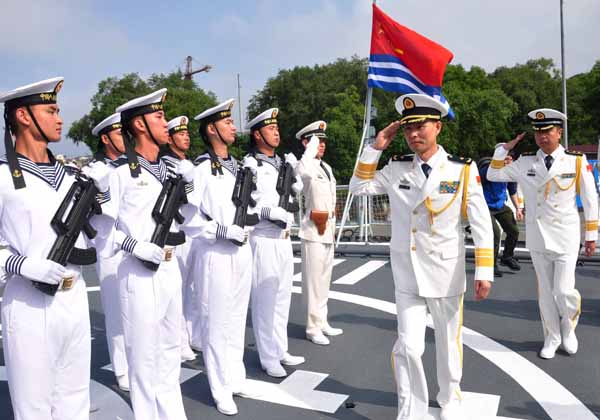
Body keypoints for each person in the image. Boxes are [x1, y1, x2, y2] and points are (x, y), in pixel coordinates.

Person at [349, 94, 494, 420]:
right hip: (407, 273)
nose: (414, 134)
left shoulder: (462, 170)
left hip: (445, 269)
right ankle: (411, 409)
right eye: (409, 128)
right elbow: (359, 188)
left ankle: (449, 400)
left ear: (438, 127)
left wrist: (485, 269)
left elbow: (482, 222)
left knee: (447, 343)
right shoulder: (397, 167)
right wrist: (376, 146)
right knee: (409, 346)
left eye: (421, 126)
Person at [0, 77, 114, 419]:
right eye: (50, 110)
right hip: (29, 301)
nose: (59, 118)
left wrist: (103, 197)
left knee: (75, 399)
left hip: (74, 296)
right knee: (34, 407)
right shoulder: (3, 177)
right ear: (23, 116)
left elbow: (101, 239)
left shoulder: (70, 176)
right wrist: (20, 265)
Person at [487, 108, 598, 359]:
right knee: (546, 293)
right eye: (538, 132)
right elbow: (494, 174)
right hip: (538, 237)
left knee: (563, 290)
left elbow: (591, 199)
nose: (542, 136)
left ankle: (568, 328)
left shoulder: (576, 161)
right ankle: (552, 336)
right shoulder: (525, 162)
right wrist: (503, 149)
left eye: (547, 131)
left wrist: (591, 235)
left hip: (566, 236)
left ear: (559, 132)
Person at [110, 88, 193, 419]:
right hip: (139, 271)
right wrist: (133, 244)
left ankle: (173, 413)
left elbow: (189, 218)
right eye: (158, 117)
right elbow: (101, 231)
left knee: (171, 351)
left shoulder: (169, 170)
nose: (165, 123)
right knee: (143, 358)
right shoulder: (119, 172)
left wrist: (190, 187)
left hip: (170, 268)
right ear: (140, 125)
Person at [180, 99, 257, 416]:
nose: (233, 127)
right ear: (212, 129)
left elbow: (249, 206)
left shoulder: (239, 167)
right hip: (214, 253)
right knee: (215, 322)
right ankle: (219, 387)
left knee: (238, 319)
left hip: (242, 252)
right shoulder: (199, 169)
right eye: (227, 123)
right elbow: (191, 218)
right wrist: (221, 231)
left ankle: (234, 375)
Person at [243, 108, 305, 378]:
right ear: (257, 134)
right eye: (271, 129)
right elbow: (244, 207)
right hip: (264, 238)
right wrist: (268, 213)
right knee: (265, 301)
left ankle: (280, 349)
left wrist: (296, 177)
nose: (277, 132)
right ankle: (268, 356)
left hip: (283, 240)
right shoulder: (250, 165)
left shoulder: (282, 164)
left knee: (282, 298)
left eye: (277, 128)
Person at [91, 112, 130, 391]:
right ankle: (122, 367)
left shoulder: (132, 167)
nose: (124, 139)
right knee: (117, 311)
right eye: (119, 134)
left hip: (135, 247)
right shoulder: (96, 170)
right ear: (106, 138)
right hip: (110, 249)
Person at [295, 120, 342, 346]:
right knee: (313, 282)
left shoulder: (326, 167)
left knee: (324, 280)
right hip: (312, 230)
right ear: (306, 143)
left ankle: (322, 321)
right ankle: (312, 327)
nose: (321, 145)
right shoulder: (304, 165)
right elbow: (302, 172)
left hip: (328, 229)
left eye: (322, 141)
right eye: (316, 141)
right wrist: (309, 150)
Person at [160, 115, 197, 362]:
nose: (186, 137)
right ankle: (180, 341)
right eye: (181, 133)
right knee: (178, 290)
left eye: (187, 133)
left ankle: (191, 336)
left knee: (192, 289)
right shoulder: (167, 163)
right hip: (176, 230)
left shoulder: (187, 163)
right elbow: (180, 199)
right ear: (171, 138)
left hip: (193, 230)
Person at [478, 156, 523, 277]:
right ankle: (491, 266)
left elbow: (512, 191)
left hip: (500, 206)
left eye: (509, 159)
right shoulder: (487, 171)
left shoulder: (510, 173)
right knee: (495, 234)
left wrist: (518, 208)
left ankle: (507, 257)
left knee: (513, 231)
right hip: (485, 206)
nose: (507, 161)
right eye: (504, 158)